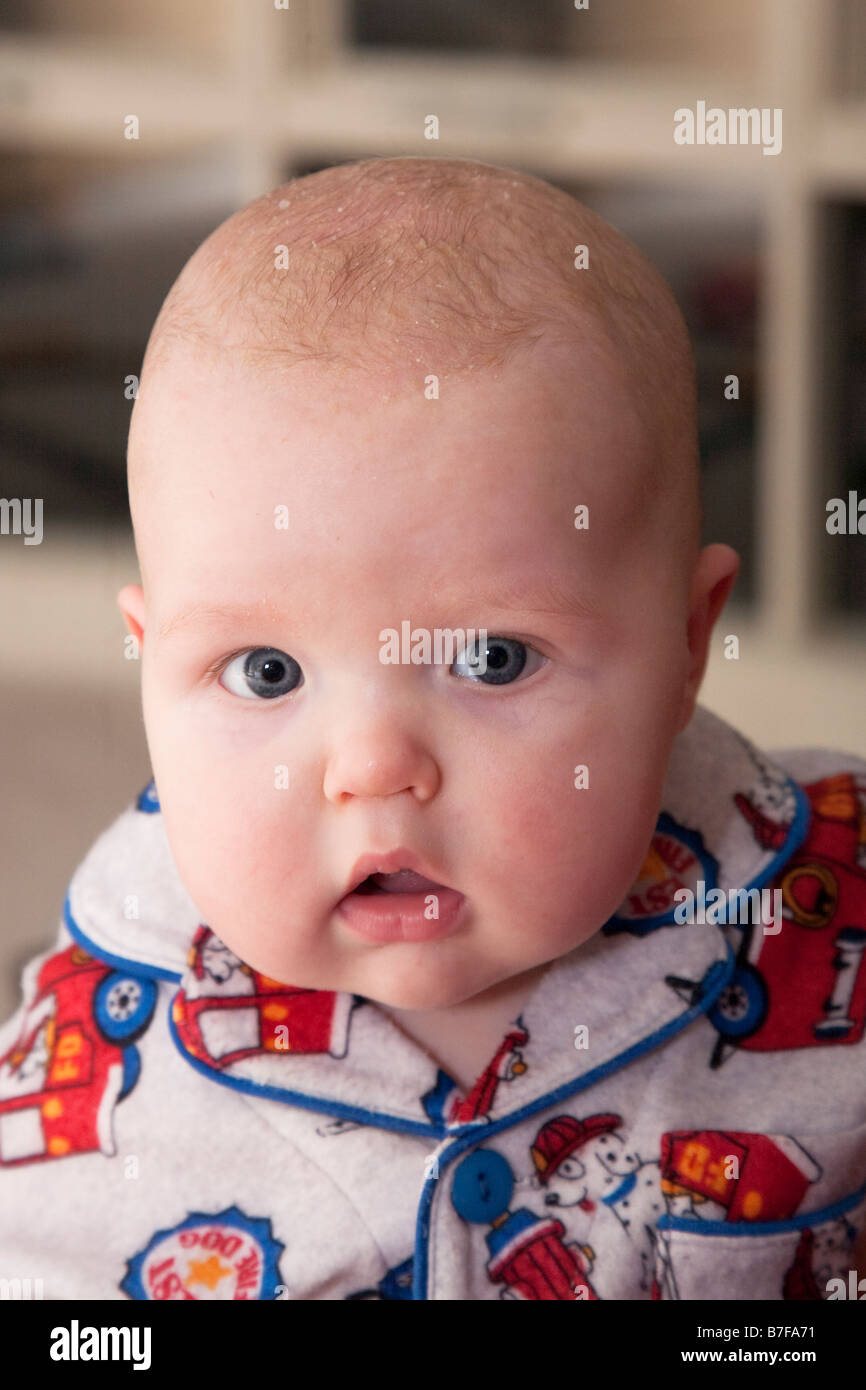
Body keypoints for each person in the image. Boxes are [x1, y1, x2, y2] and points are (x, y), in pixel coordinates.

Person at [1, 156, 864, 1301]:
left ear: (683, 645)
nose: (372, 769)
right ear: (152, 656)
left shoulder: (823, 901)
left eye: (492, 659)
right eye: (264, 672)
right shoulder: (104, 1029)